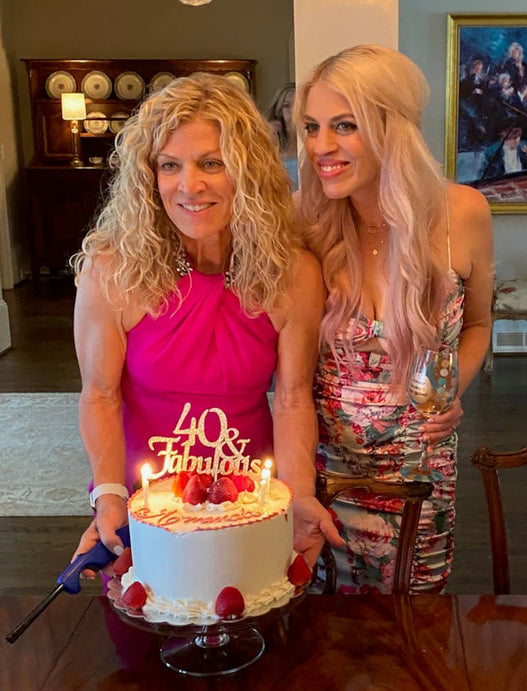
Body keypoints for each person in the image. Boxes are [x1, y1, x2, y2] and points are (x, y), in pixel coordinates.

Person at [70, 72, 341, 571]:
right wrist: (108, 496)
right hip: (141, 503)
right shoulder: (111, 269)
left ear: (249, 171)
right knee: (145, 633)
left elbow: (292, 398)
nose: (189, 186)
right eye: (169, 165)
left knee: (255, 629)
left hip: (252, 502)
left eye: (211, 163)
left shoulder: (294, 272)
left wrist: (299, 495)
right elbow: (99, 395)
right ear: (148, 177)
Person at [293, 45, 494, 593]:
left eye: (344, 126)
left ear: (391, 128)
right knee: (322, 637)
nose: (321, 147)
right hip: (324, 478)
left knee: (411, 631)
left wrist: (454, 393)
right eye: (312, 127)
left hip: (421, 478)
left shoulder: (464, 214)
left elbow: (477, 326)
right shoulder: (301, 222)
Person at [266, 82, 299, 189]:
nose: (292, 110)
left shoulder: (311, 139)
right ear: (280, 110)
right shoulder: (273, 140)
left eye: (296, 104)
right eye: (287, 106)